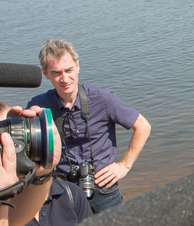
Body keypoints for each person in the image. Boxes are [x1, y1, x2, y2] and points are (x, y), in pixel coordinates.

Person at [26, 39, 152, 214]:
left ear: (78, 66)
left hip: (103, 187)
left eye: (69, 70)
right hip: (60, 189)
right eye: (56, 73)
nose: (64, 79)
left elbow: (143, 126)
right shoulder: (38, 106)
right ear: (45, 74)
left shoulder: (103, 99)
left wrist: (124, 166)